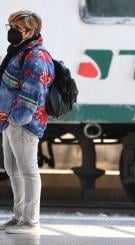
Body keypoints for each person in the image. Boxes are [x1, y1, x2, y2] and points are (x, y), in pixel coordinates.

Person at [0, 10, 54, 234]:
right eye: (9, 26)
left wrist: (16, 118)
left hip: (23, 122)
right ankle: (19, 215)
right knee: (13, 169)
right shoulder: (19, 51)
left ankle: (31, 221)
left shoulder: (35, 56)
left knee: (28, 169)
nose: (11, 32)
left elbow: (33, 92)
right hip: (10, 122)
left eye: (16, 28)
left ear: (31, 31)